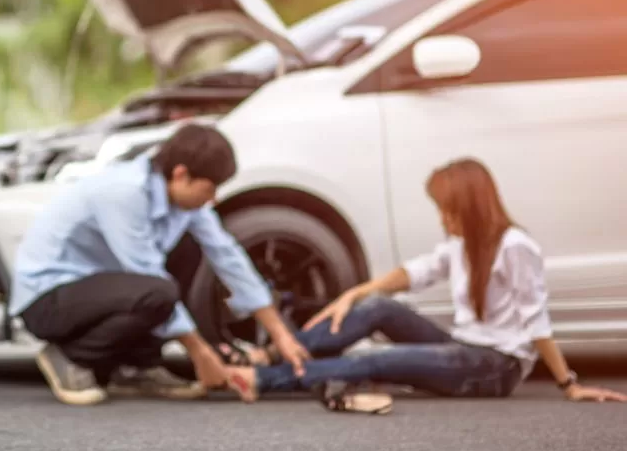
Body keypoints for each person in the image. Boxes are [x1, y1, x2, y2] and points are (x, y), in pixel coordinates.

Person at [225, 158, 627, 410]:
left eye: (446, 210)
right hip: (463, 347)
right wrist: (355, 293)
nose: (442, 219)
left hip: (493, 368)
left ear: (468, 208)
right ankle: (270, 356)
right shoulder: (462, 244)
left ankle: (260, 379)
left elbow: (537, 322)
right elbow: (414, 273)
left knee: (376, 360)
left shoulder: (514, 247)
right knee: (380, 309)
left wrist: (569, 384)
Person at [8, 123, 312, 406]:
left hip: (95, 289)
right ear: (181, 175)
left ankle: (136, 367)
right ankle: (70, 358)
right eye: (209, 189)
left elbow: (227, 255)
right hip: (47, 298)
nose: (214, 199)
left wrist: (281, 335)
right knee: (159, 291)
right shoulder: (123, 192)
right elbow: (146, 272)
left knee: (189, 250)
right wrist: (200, 353)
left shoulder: (183, 203)